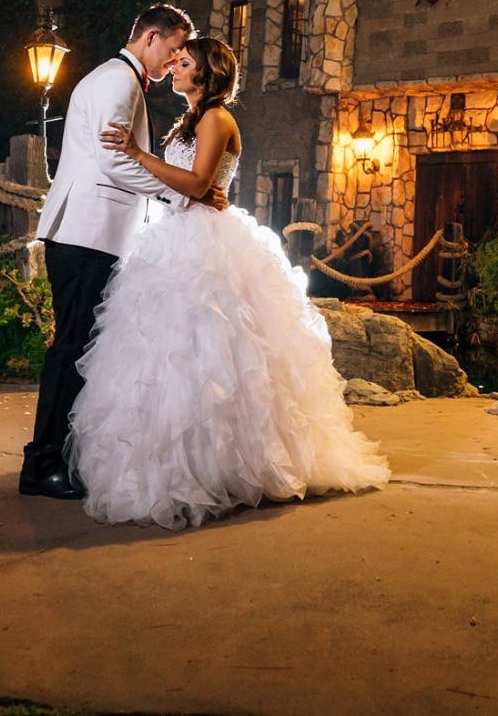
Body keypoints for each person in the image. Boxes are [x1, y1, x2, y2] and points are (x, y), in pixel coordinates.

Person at [69, 35, 390, 529]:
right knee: (165, 359)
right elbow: (183, 186)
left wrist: (135, 151)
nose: (174, 67)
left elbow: (198, 184)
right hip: (174, 233)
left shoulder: (218, 119)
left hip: (207, 241)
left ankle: (220, 470)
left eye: (184, 62)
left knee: (214, 354)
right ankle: (168, 470)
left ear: (207, 73)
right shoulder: (191, 119)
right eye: (175, 59)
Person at [18, 4, 225, 500]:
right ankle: (42, 464)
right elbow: (114, 162)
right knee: (71, 348)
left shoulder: (116, 78)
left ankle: (63, 457)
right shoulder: (119, 82)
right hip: (88, 233)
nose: (174, 61)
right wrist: (182, 194)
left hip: (94, 233)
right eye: (174, 49)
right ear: (151, 37)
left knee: (79, 346)